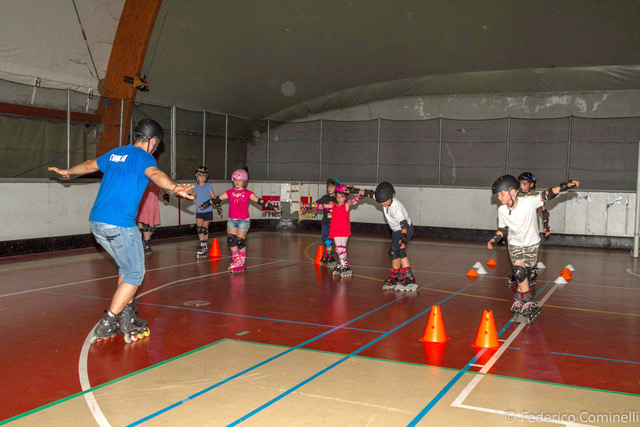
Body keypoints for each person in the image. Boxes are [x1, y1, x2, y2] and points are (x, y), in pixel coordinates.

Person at [48, 119, 194, 343]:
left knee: (126, 268)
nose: (155, 148)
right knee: (136, 273)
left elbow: (88, 165)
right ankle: (110, 321)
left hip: (97, 223)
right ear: (152, 141)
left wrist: (67, 171)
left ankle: (126, 313)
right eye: (156, 145)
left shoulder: (116, 153)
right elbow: (155, 174)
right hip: (120, 225)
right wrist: (174, 187)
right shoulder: (145, 157)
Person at [487, 175, 579, 324]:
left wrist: (565, 186)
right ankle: (529, 301)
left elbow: (548, 194)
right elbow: (502, 229)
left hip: (532, 243)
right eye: (497, 194)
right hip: (515, 244)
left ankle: (520, 296)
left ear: (512, 191)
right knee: (519, 273)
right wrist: (494, 239)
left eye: (501, 193)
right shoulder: (502, 210)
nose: (499, 197)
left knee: (527, 275)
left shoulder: (528, 202)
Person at [200, 168, 279, 273]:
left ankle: (241, 261)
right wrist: (205, 204)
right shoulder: (229, 192)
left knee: (240, 242)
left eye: (240, 180)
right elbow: (217, 199)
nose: (237, 182)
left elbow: (259, 201)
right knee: (231, 240)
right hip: (232, 220)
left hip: (243, 221)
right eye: (235, 180)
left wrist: (272, 207)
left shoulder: (248, 193)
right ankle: (237, 260)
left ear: (244, 182)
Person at [351, 182, 417, 292]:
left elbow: (404, 223)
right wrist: (354, 190)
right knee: (399, 252)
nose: (383, 205)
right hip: (396, 231)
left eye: (385, 202)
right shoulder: (385, 199)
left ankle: (398, 276)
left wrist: (403, 237)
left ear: (392, 196)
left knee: (394, 252)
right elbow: (368, 193)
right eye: (381, 202)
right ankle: (406, 276)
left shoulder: (397, 208)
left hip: (405, 230)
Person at [304, 184, 364, 277]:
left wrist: (358, 193)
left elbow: (354, 200)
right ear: (335, 197)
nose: (340, 199)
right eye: (338, 197)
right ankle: (343, 264)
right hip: (335, 229)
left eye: (342, 197)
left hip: (344, 230)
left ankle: (344, 264)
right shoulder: (334, 206)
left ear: (345, 197)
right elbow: (322, 206)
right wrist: (310, 205)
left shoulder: (346, 205)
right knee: (337, 248)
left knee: (341, 248)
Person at [193, 166, 223, 258]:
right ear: (196, 176)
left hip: (207, 211)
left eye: (203, 176)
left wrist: (218, 207)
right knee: (199, 229)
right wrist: (181, 195)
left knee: (204, 229)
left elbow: (214, 198)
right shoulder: (195, 187)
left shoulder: (208, 186)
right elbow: (192, 197)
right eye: (200, 175)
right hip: (199, 211)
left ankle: (204, 246)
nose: (201, 178)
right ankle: (202, 246)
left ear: (206, 177)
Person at [136, 183, 170, 255]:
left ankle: (145, 242)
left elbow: (164, 194)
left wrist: (166, 199)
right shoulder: (143, 184)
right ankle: (146, 244)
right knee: (146, 226)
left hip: (153, 209)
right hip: (143, 207)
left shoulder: (157, 185)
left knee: (152, 227)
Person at [517, 172, 551, 240]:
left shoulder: (537, 196)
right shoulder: (516, 195)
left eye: (524, 184)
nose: (522, 186)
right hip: (518, 228)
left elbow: (544, 212)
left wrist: (546, 226)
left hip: (532, 230)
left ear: (531, 184)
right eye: (520, 184)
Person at [315, 177, 340, 268]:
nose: (329, 188)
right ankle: (329, 256)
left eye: (332, 187)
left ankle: (331, 256)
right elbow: (316, 203)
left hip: (335, 223)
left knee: (335, 243)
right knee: (327, 240)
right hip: (326, 222)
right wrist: (308, 205)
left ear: (336, 188)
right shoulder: (324, 197)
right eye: (328, 186)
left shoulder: (338, 198)